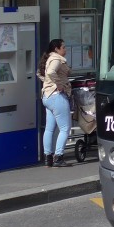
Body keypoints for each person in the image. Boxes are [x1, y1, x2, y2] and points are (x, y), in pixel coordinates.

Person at [40, 38, 73, 167]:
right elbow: (50, 72)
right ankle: (58, 157)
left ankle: (48, 157)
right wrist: (59, 84)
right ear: (56, 49)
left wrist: (48, 83)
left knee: (49, 129)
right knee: (65, 128)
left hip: (47, 96)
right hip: (56, 96)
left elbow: (42, 74)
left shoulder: (49, 59)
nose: (65, 49)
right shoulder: (56, 59)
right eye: (63, 47)